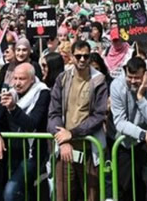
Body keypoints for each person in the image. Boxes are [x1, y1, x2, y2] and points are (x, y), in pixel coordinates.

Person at [47, 40, 108, 201]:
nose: (82, 59)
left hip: (89, 148)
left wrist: (72, 134)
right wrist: (62, 140)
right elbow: (53, 113)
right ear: (71, 57)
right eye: (78, 56)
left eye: (86, 56)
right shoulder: (62, 78)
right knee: (63, 196)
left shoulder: (99, 80)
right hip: (65, 150)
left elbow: (99, 115)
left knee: (92, 196)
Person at [0, 63, 51, 201]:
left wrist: (13, 108)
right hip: (12, 154)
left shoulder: (43, 93)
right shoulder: (10, 94)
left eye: (21, 79)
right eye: (14, 78)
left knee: (11, 192)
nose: (17, 83)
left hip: (33, 153)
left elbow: (32, 124)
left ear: (32, 79)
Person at [110, 57, 147, 201]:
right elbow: (120, 122)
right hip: (125, 143)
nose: (133, 81)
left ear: (145, 75)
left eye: (137, 77)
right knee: (125, 188)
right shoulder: (117, 85)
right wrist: (144, 135)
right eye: (130, 77)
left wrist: (141, 97)